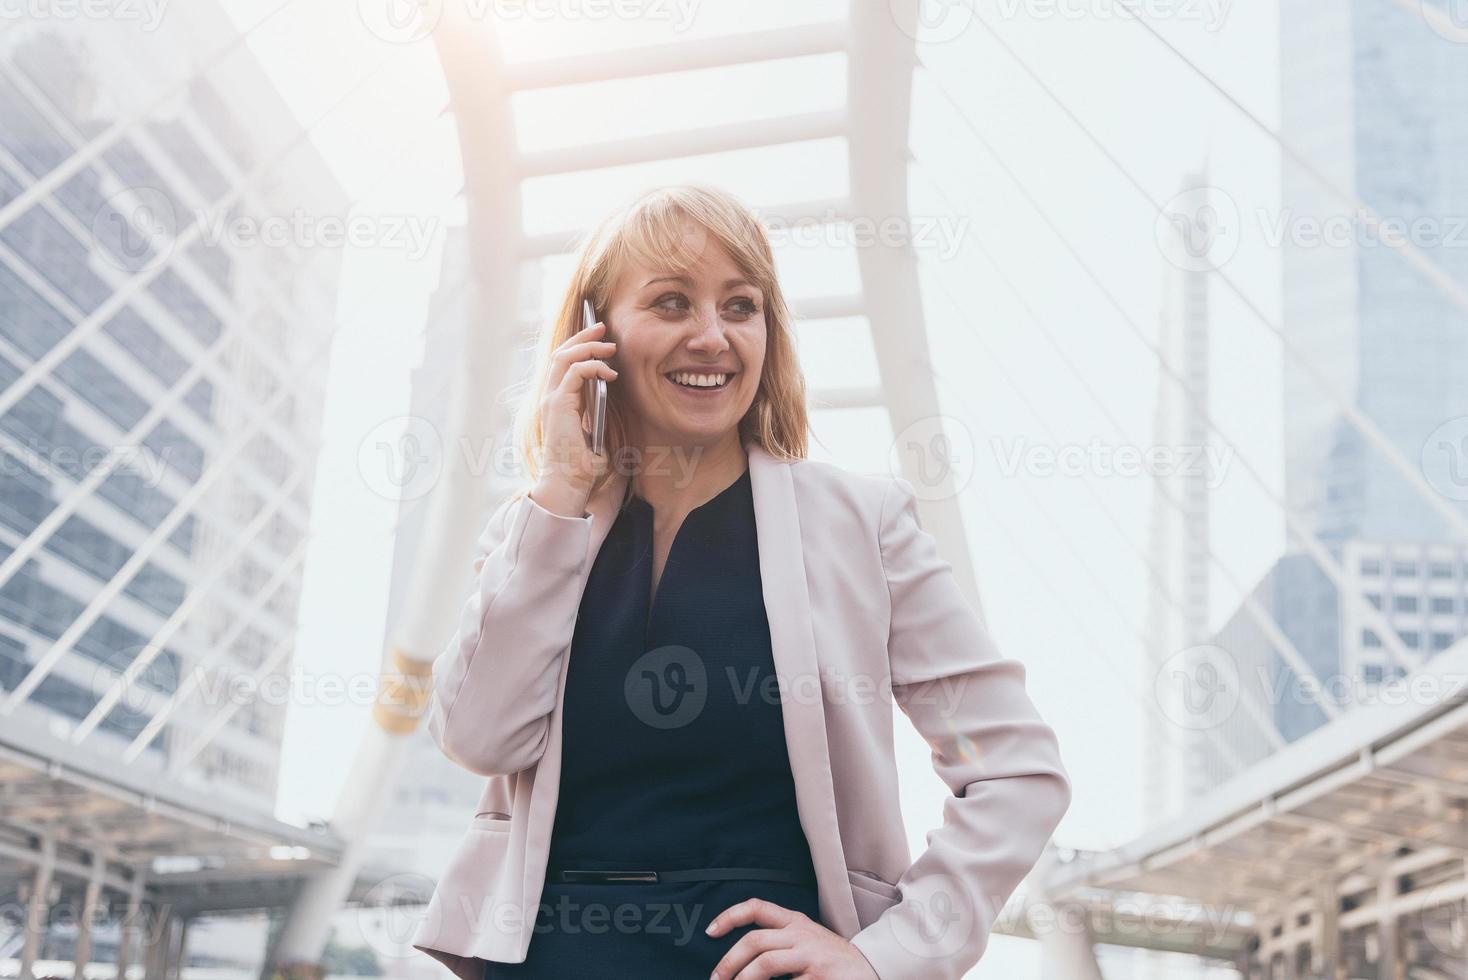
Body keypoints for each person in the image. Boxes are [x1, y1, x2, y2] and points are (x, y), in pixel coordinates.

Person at [411, 184, 1072, 980]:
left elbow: (1014, 767)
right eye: (671, 302)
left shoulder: (861, 525)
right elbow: (477, 737)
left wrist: (885, 958)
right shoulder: (542, 525)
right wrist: (558, 490)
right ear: (596, 334)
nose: (712, 337)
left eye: (740, 305)